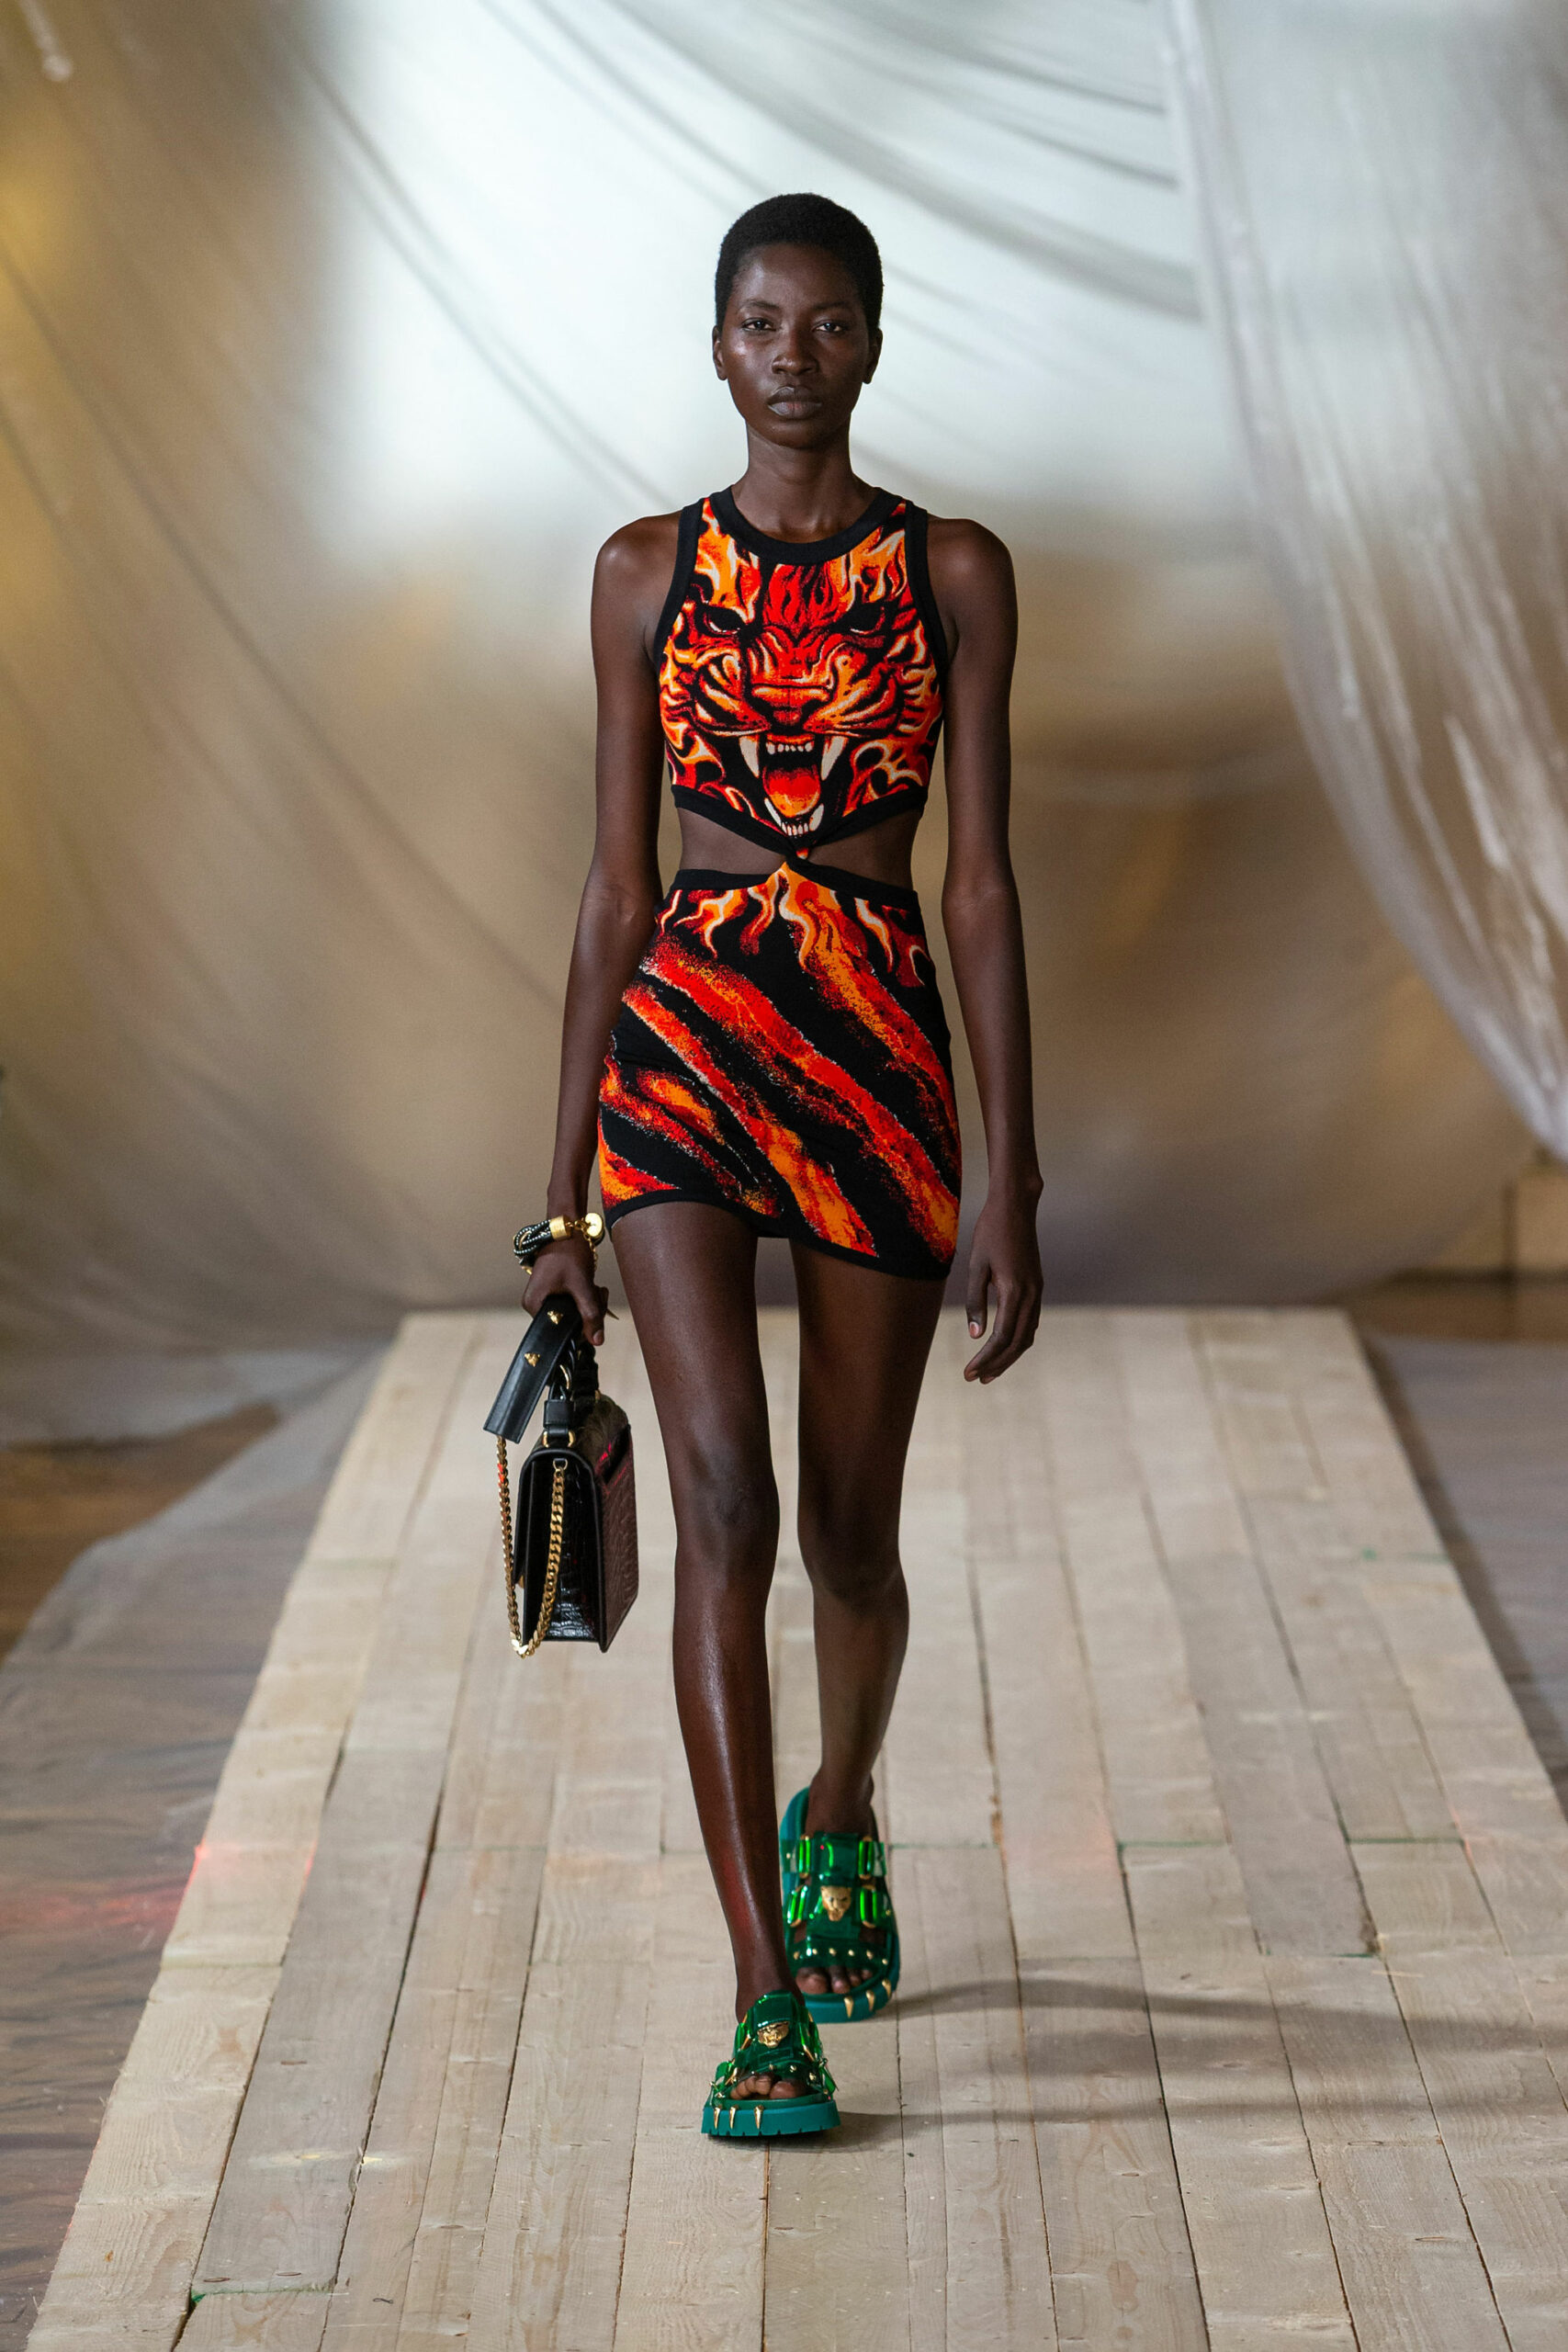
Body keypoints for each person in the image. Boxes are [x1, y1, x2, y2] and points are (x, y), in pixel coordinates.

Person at [525, 192, 1042, 2138]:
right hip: (683, 1049)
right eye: (760, 323)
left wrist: (1011, 1177)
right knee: (721, 1505)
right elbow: (613, 889)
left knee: (847, 1535)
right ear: (716, 344)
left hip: (875, 1052)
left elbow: (978, 886)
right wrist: (563, 1201)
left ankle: (841, 1806)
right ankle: (763, 1991)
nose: (792, 356)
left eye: (827, 325)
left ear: (874, 343)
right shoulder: (644, 571)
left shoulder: (953, 571)